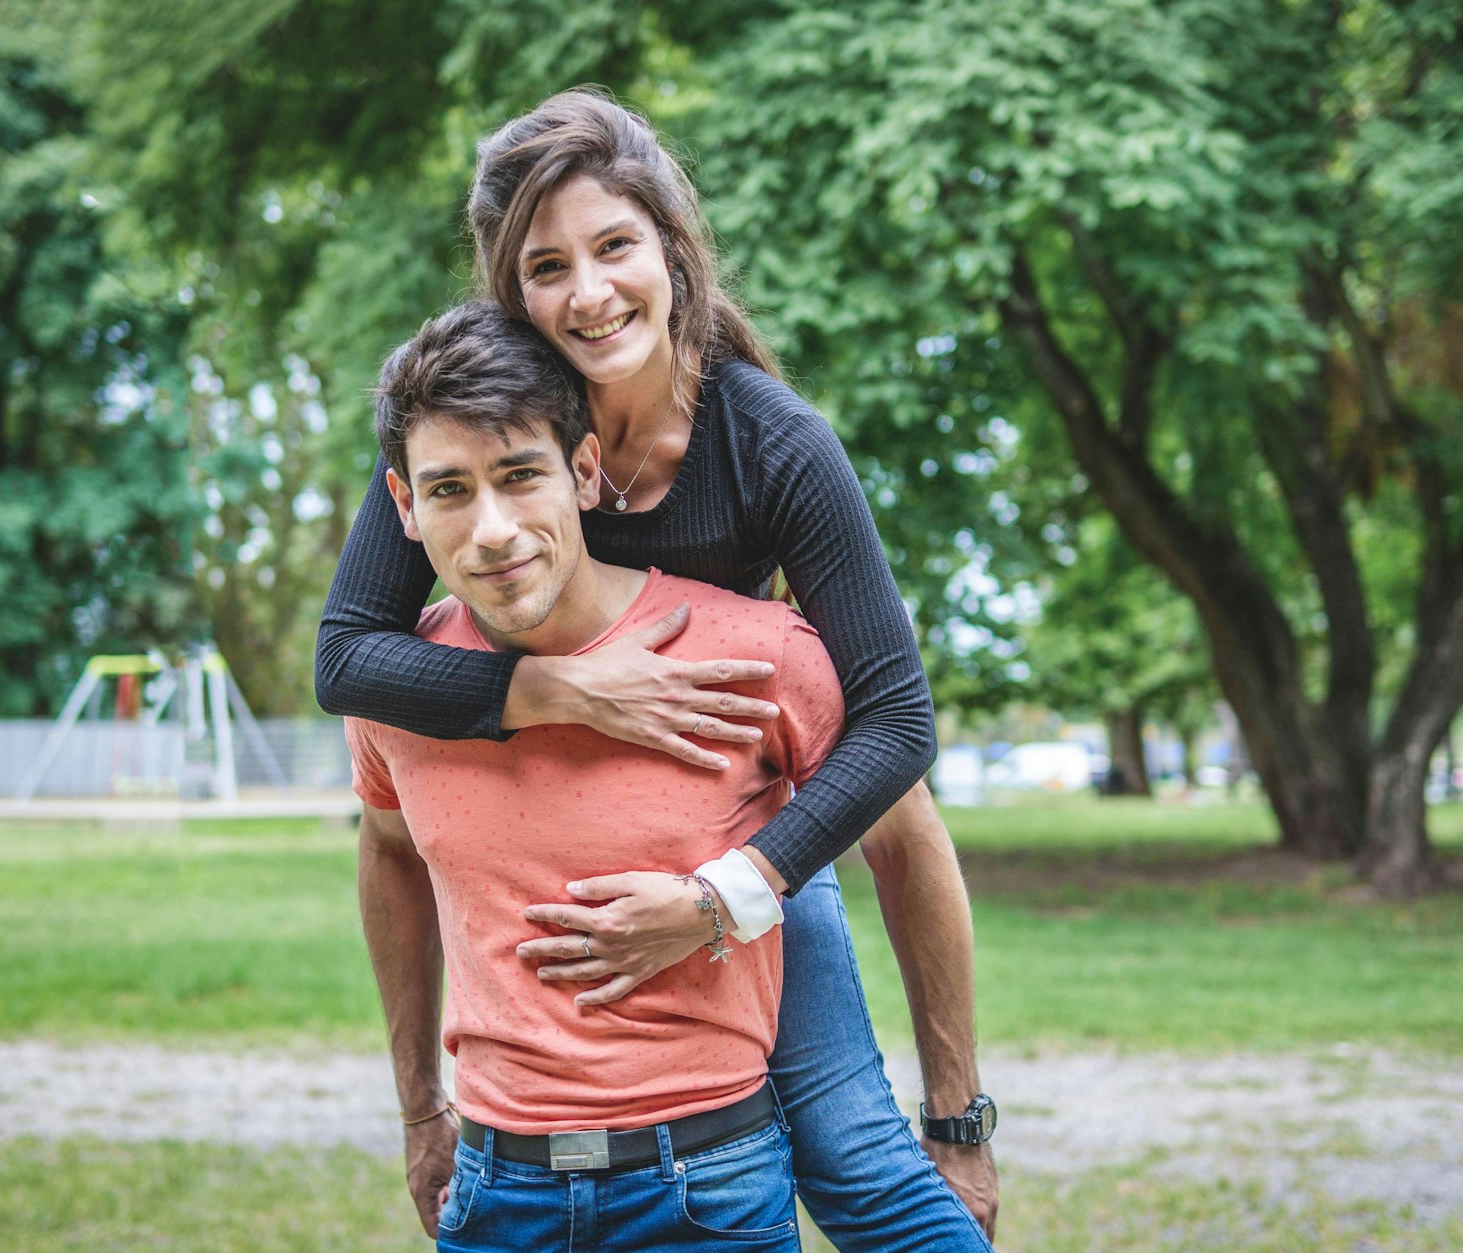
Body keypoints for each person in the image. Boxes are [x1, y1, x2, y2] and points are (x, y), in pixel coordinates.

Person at [318, 90, 997, 1247]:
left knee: (846, 1147)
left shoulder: (767, 440)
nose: (586, 292)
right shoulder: (489, 429)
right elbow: (346, 655)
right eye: (545, 266)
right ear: (509, 290)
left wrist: (729, 896)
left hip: (743, 836)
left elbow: (897, 725)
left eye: (614, 246)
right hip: (549, 816)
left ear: (673, 251)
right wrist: (551, 690)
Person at [353, 302, 842, 1249]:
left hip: (712, 1184)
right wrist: (420, 1106)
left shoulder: (756, 653)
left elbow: (902, 820)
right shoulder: (396, 687)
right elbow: (387, 858)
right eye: (449, 490)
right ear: (405, 507)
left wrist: (955, 1114)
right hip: (497, 1193)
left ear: (583, 472)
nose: (492, 530)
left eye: (520, 476)